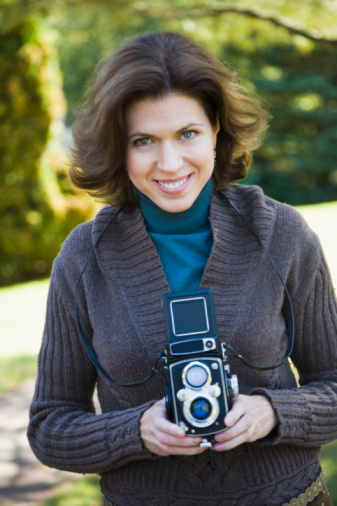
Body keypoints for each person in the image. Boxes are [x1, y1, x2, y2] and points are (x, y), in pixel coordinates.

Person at [27, 31, 337, 505]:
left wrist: (273, 412)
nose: (169, 163)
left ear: (216, 128)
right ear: (118, 147)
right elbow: (50, 427)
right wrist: (134, 431)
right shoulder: (84, 257)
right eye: (143, 140)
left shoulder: (282, 235)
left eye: (187, 134)